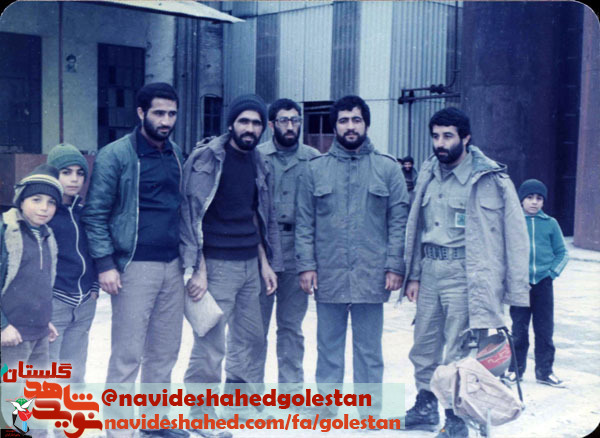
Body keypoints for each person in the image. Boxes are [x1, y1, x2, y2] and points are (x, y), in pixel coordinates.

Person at [401, 107, 530, 438]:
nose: (440, 143)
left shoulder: (491, 180)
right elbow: (418, 228)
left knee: (458, 350)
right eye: (435, 136)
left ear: (466, 138)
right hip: (430, 271)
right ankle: (426, 406)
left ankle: (456, 418)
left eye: (448, 136)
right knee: (424, 346)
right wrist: (413, 275)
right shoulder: (428, 173)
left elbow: (516, 237)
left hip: (465, 274)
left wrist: (516, 292)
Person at [82, 82, 187, 438]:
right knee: (127, 354)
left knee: (165, 350)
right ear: (141, 113)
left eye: (172, 114)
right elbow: (95, 214)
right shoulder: (115, 155)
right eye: (159, 113)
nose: (166, 121)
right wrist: (105, 264)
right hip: (133, 267)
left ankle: (155, 422)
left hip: (172, 265)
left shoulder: (175, 153)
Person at [295, 95, 409, 418]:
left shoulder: (388, 168)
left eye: (356, 120)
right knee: (328, 344)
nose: (350, 126)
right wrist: (306, 265)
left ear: (366, 124)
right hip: (329, 272)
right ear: (335, 126)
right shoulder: (315, 170)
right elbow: (304, 222)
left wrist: (394, 266)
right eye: (343, 120)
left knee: (369, 348)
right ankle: (326, 407)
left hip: (371, 273)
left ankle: (370, 410)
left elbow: (399, 223)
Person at [180, 94, 283, 430]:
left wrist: (264, 263)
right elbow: (191, 214)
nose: (249, 129)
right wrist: (199, 268)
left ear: (263, 128)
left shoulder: (259, 162)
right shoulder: (206, 158)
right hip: (217, 264)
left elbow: (257, 215)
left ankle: (238, 407)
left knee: (250, 338)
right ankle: (200, 415)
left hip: (250, 263)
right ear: (231, 124)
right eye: (244, 121)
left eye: (256, 123)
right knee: (211, 342)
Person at [256, 98, 319, 392]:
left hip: (298, 248)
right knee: (254, 327)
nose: (290, 126)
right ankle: (249, 394)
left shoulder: (313, 160)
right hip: (262, 249)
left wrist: (311, 261)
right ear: (272, 125)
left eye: (295, 120)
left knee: (291, 327)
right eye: (284, 120)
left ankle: (291, 391)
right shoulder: (256, 156)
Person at [508, 179, 569, 387]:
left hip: (543, 284)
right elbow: (504, 252)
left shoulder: (550, 223)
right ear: (521, 200)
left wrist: (551, 273)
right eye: (529, 198)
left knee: (544, 330)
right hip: (520, 285)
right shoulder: (513, 222)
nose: (534, 202)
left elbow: (562, 253)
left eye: (539, 198)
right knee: (518, 330)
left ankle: (545, 372)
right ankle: (515, 371)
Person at [46, 143, 99, 383]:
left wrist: (94, 287)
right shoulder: (45, 214)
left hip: (85, 302)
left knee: (75, 370)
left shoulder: (83, 212)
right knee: (47, 370)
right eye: (66, 172)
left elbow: (94, 251)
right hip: (56, 301)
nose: (74, 179)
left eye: (80, 173)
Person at [1, 164, 62, 368]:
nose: (44, 207)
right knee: (10, 387)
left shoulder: (48, 236)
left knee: (35, 386)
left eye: (51, 202)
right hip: (11, 334)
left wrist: (44, 321)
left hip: (39, 333)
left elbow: (40, 285)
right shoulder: (6, 231)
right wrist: (2, 326)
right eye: (36, 200)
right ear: (21, 201)